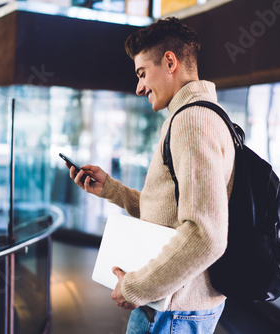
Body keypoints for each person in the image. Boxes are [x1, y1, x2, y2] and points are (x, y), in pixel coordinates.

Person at [66, 17, 235, 334]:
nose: (139, 86)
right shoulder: (203, 114)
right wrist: (113, 191)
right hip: (177, 305)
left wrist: (136, 287)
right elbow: (172, 210)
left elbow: (206, 234)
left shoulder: (191, 121)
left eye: (142, 73)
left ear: (170, 61)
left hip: (173, 309)